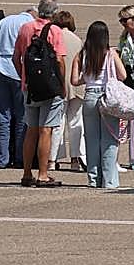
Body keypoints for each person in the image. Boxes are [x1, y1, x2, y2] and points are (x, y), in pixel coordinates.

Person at [12, 0, 66, 188]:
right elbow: (59, 60)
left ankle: (27, 173)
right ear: (54, 13)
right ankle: (43, 173)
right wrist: (61, 85)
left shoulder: (25, 28)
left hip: (30, 87)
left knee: (31, 130)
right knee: (46, 130)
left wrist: (23, 78)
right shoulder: (55, 31)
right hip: (50, 88)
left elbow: (16, 57)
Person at [71, 20, 127, 189]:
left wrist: (87, 78)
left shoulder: (82, 54)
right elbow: (123, 75)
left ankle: (93, 179)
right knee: (109, 139)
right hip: (107, 98)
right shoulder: (110, 53)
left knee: (92, 140)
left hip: (90, 97)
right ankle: (109, 180)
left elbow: (74, 80)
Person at [0, 6, 36, 168]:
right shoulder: (30, 23)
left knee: (3, 115)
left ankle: (2, 158)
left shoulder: (4, 22)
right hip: (18, 69)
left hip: (1, 68)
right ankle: (20, 156)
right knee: (21, 116)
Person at [49, 10, 86, 172]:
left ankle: (53, 158)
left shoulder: (54, 38)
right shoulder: (78, 40)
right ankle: (75, 158)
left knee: (58, 123)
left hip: (59, 85)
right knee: (76, 123)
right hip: (76, 85)